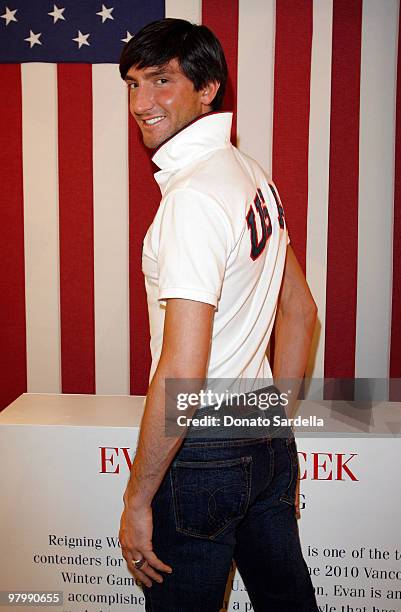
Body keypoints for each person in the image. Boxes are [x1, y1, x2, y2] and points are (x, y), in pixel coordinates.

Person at [118, 18, 318, 612]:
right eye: (132, 84)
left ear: (208, 88)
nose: (141, 103)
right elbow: (301, 312)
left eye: (161, 81)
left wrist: (136, 499)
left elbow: (184, 365)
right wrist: (274, 422)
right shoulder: (251, 173)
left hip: (203, 449)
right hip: (261, 434)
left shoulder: (194, 198)